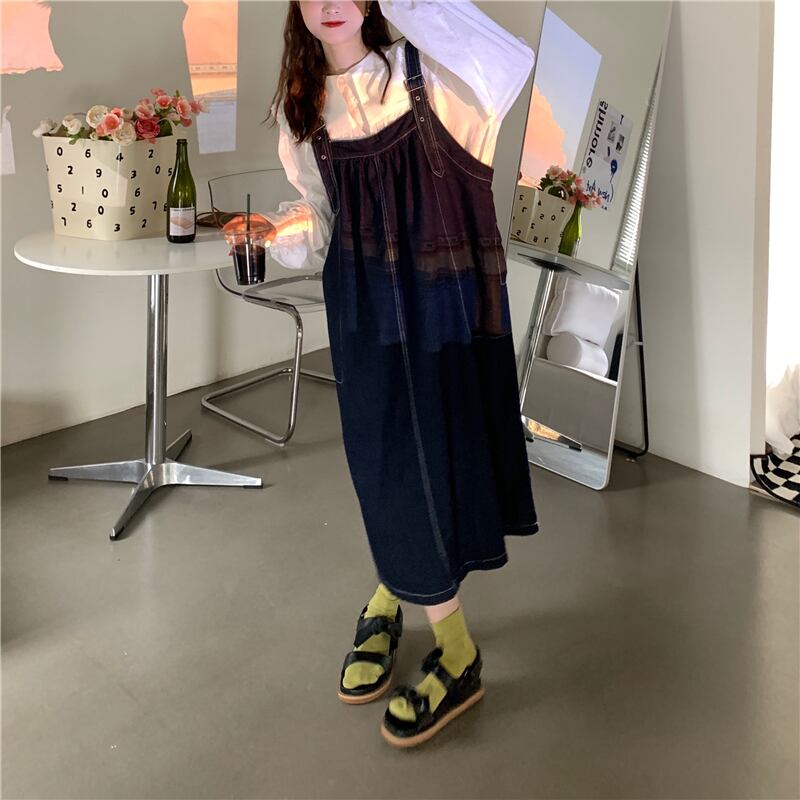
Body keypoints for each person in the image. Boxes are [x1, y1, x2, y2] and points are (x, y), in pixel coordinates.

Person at [224, 0, 539, 748]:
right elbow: (325, 223)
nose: (331, 2)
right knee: (387, 466)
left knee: (436, 461)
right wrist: (275, 235)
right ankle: (419, 610)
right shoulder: (303, 114)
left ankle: (442, 641)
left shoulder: (432, 73)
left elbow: (512, 63)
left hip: (446, 308)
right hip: (365, 316)